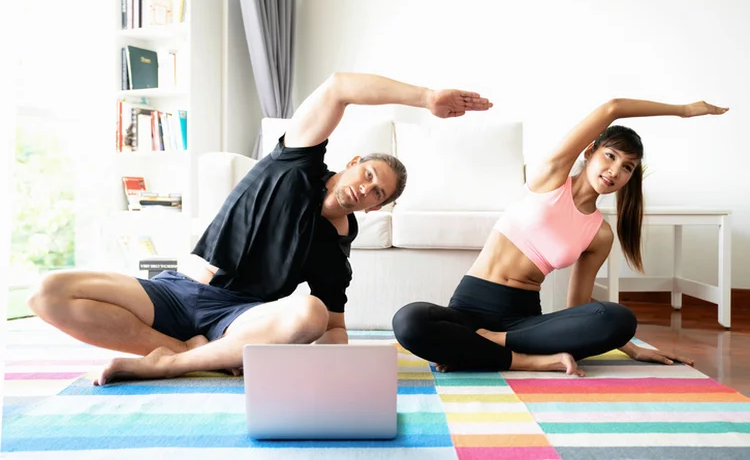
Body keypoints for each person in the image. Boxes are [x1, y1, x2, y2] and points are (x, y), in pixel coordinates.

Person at [27, 73, 493, 385]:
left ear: (375, 211)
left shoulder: (336, 247)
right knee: (48, 293)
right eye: (367, 176)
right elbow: (339, 86)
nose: (365, 190)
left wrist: (351, 376)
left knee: (307, 314)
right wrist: (427, 98)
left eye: (378, 195)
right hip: (176, 289)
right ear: (352, 163)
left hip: (238, 317)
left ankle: (172, 365)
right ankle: (199, 357)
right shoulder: (296, 161)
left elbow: (331, 327)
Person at [392, 98, 729, 376]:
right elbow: (611, 108)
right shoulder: (551, 176)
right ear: (590, 152)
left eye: (627, 167)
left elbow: (579, 305)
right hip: (470, 307)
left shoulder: (599, 233)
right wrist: (684, 111)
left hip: (522, 324)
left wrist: (632, 347)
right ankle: (530, 361)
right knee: (409, 322)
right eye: (610, 156)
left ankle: (480, 349)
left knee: (620, 318)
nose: (614, 171)